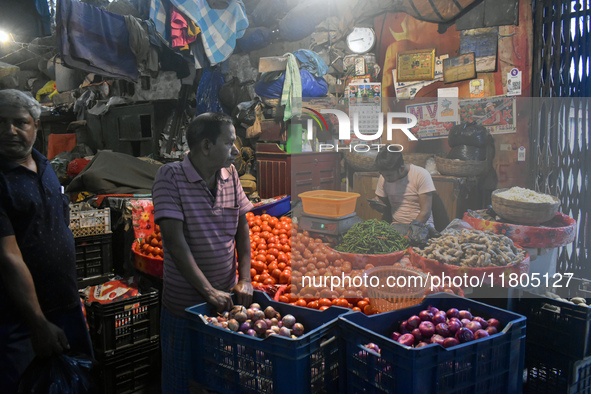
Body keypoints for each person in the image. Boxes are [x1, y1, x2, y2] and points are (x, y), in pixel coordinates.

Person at [152, 112, 253, 394]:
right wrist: (207, 291)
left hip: (224, 304)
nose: (235, 150)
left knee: (218, 378)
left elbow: (241, 229)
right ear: (207, 146)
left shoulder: (230, 174)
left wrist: (244, 279)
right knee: (182, 379)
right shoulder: (169, 177)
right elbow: (175, 244)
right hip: (184, 307)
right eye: (229, 142)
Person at [0, 89, 93, 393]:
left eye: (19, 122)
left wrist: (72, 292)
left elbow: (57, 230)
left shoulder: (44, 166)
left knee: (74, 381)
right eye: (1, 122)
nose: (9, 130)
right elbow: (9, 256)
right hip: (19, 317)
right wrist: (37, 322)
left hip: (64, 303)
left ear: (35, 126)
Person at [369, 150, 436, 236]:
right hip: (397, 225)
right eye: (382, 174)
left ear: (401, 169)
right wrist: (377, 204)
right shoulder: (385, 176)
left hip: (421, 225)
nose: (385, 179)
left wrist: (411, 232)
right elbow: (385, 206)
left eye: (389, 176)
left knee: (415, 243)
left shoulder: (421, 174)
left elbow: (425, 212)